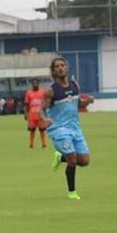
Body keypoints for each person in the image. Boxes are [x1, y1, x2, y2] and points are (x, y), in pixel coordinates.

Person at [40, 58, 93, 200]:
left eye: (62, 65)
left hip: (75, 128)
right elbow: (41, 109)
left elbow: (78, 104)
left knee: (85, 161)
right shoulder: (51, 91)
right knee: (72, 159)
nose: (60, 68)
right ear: (53, 71)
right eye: (57, 66)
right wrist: (45, 119)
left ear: (67, 68)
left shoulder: (75, 85)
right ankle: (72, 192)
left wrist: (87, 101)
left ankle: (59, 156)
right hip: (59, 129)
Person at [25, 78, 48, 149]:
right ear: (32, 84)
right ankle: (31, 145)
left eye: (36, 83)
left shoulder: (43, 92)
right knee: (32, 130)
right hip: (32, 114)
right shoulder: (28, 93)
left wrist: (46, 112)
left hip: (40, 114)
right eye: (33, 83)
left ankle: (44, 144)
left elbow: (45, 103)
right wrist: (26, 113)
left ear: (38, 84)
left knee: (42, 129)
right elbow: (26, 104)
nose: (35, 84)